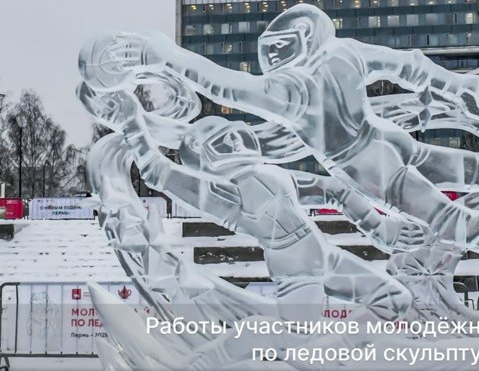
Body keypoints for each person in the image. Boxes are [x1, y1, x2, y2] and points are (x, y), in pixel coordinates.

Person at [79, 5, 479, 318]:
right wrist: (457, 89)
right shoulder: (347, 56)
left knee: (450, 215)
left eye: (276, 49)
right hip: (380, 150)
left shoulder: (292, 89)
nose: (271, 58)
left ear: (302, 38)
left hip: (363, 163)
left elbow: (223, 84)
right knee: (473, 178)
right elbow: (411, 67)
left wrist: (158, 52)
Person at [84, 86, 420, 323]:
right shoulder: (220, 192)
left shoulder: (275, 174)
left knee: (396, 300)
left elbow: (334, 189)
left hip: (328, 257)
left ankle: (345, 353)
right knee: (299, 342)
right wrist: (131, 121)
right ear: (204, 155)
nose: (234, 138)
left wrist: (378, 225)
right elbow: (158, 173)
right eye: (221, 140)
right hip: (296, 272)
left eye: (233, 132)